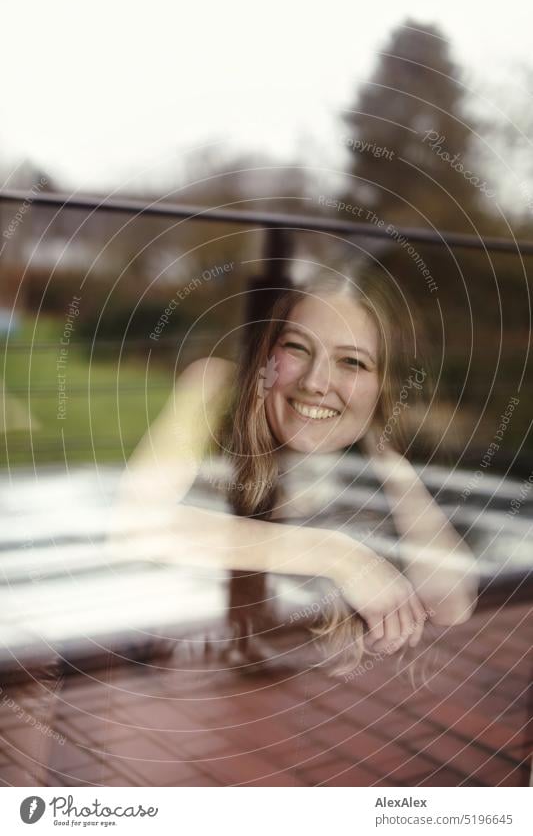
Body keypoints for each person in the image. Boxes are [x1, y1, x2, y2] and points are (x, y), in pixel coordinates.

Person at [108, 266, 479, 676]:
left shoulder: (375, 463)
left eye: (352, 363)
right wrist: (341, 557)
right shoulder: (214, 387)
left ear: (384, 384)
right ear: (267, 350)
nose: (316, 381)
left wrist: (384, 449)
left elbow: (452, 605)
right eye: (297, 348)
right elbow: (134, 529)